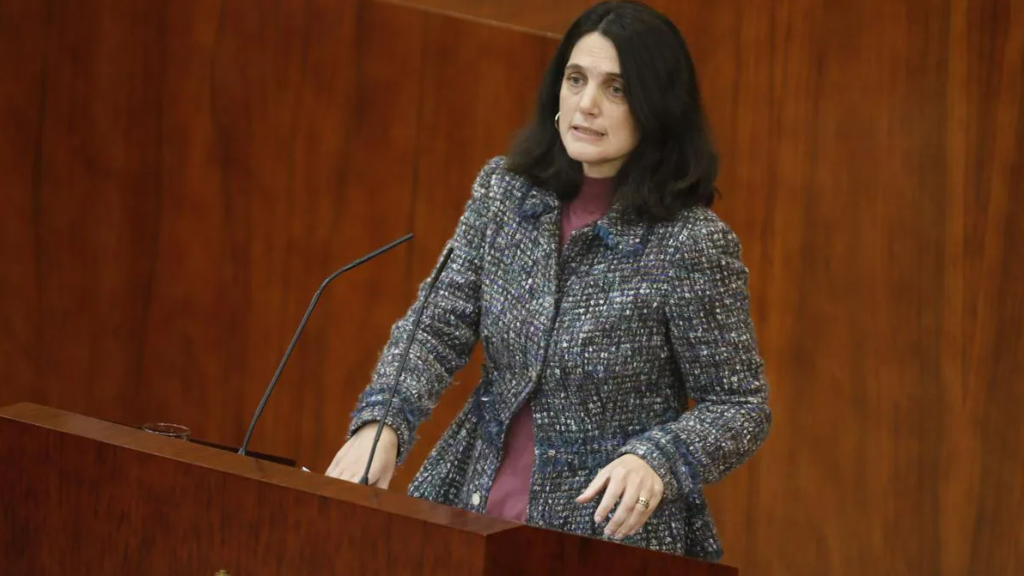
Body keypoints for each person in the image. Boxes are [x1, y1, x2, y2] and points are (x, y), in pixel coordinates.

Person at [326, 0, 771, 561]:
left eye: (617, 88)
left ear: (658, 107)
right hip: (473, 497)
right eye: (576, 79)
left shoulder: (689, 244)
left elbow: (739, 404)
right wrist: (383, 423)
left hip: (607, 533)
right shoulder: (506, 194)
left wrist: (658, 457)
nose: (586, 104)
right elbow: (436, 330)